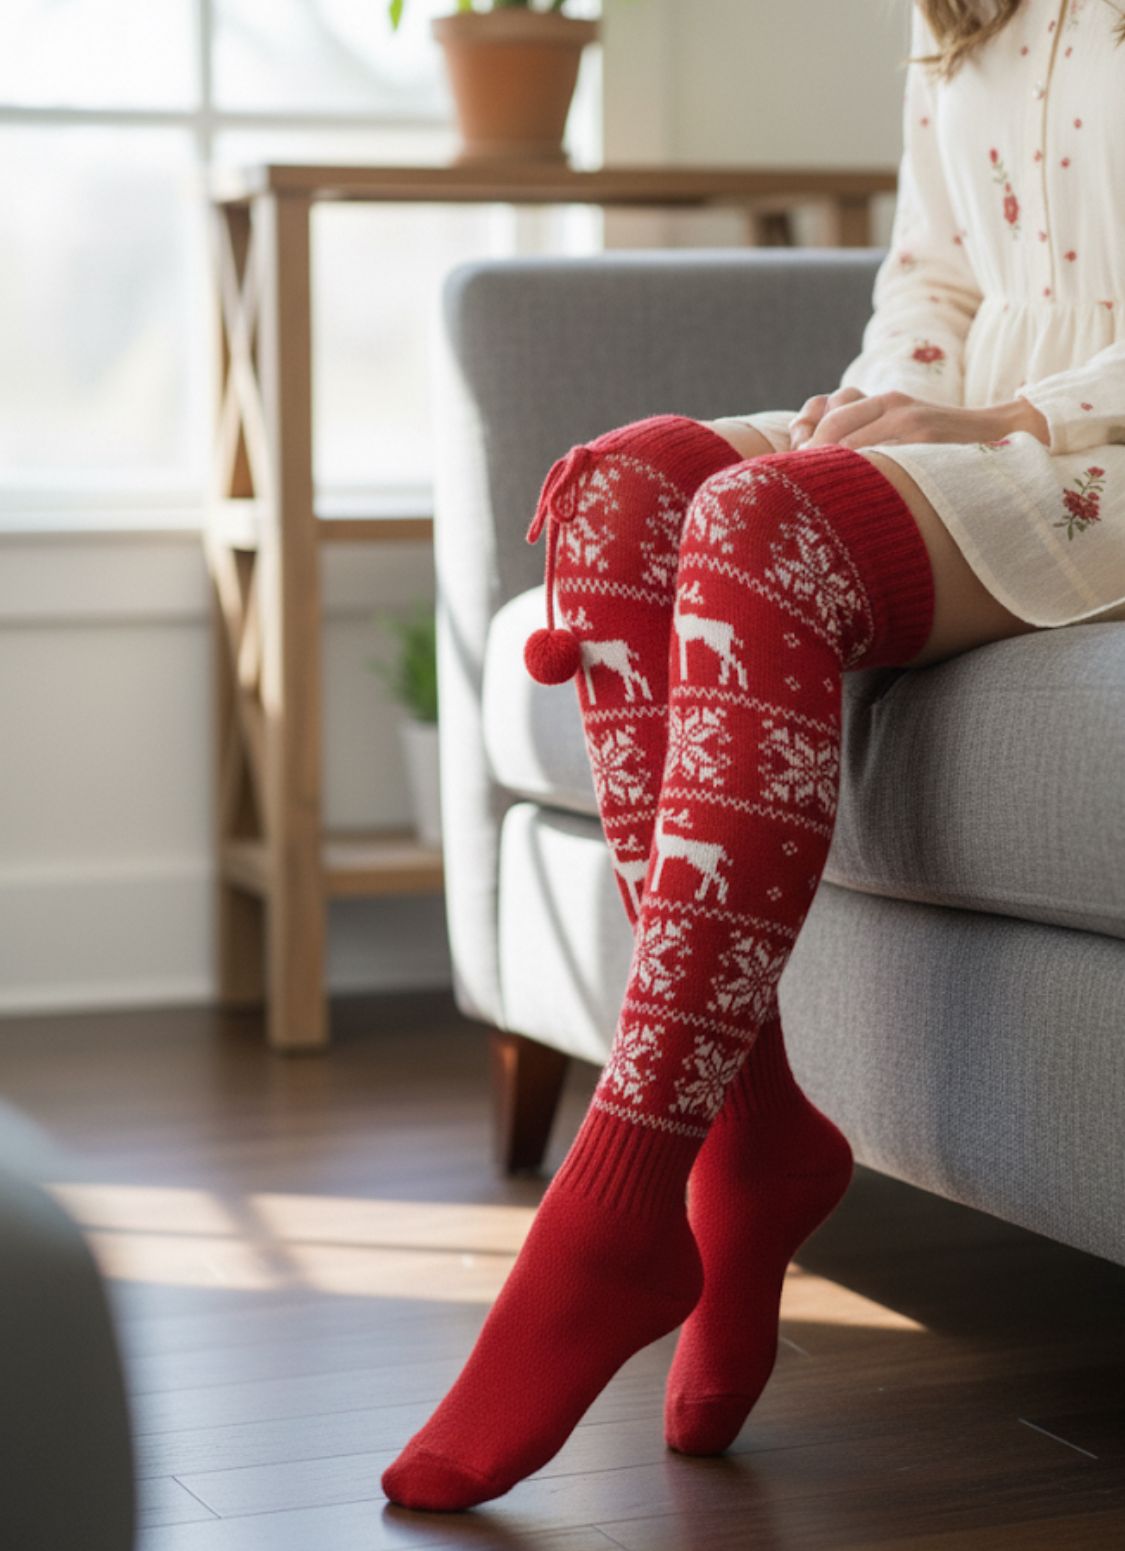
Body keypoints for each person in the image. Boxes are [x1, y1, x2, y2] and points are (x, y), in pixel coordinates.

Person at [382, 0, 1125, 1512]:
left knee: (761, 529)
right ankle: (753, 1127)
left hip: (1089, 446)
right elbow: (932, 269)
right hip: (977, 430)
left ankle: (626, 1193)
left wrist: (989, 420)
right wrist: (876, 413)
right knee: (621, 499)